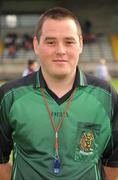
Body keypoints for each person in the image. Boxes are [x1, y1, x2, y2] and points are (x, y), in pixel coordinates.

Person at [0, 7, 118, 180]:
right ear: (36, 45)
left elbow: (113, 163)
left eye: (69, 42)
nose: (61, 50)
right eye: (50, 42)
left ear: (80, 44)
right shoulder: (10, 95)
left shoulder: (105, 95)